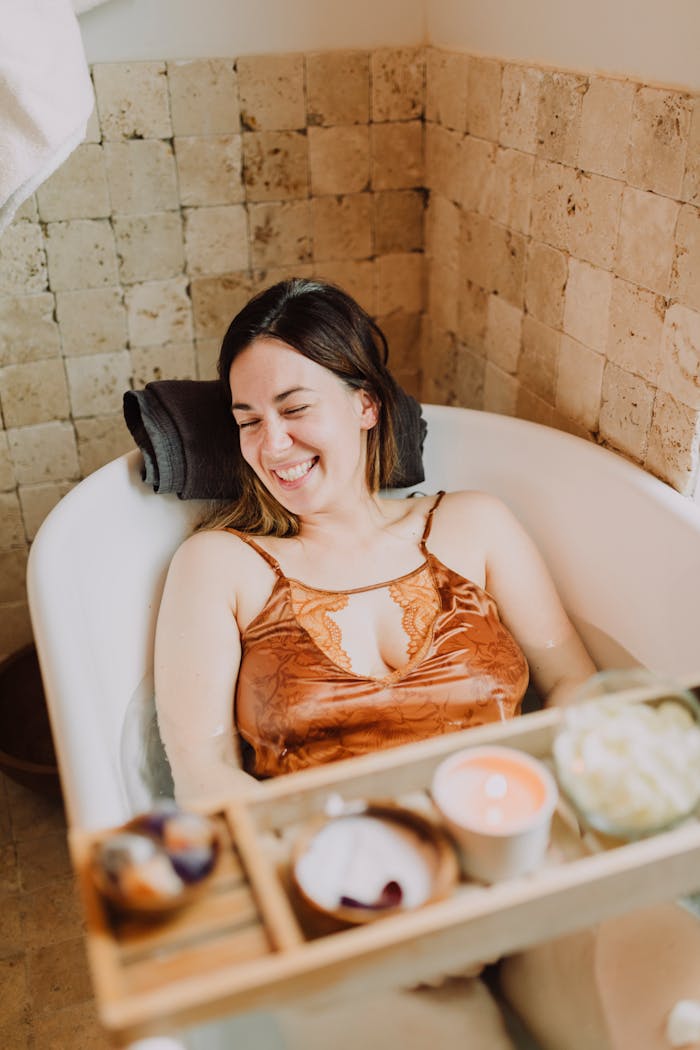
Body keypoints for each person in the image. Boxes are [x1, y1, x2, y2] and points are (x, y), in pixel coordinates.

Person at [153, 278, 699, 1050]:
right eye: (247, 421)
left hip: (528, 856)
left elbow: (576, 683)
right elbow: (202, 774)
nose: (270, 445)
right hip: (354, 892)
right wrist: (329, 899)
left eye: (295, 408)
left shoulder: (475, 524)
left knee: (675, 1016)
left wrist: (581, 812)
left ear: (366, 404)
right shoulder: (221, 565)